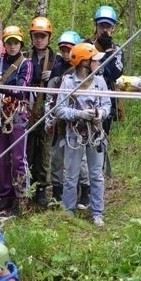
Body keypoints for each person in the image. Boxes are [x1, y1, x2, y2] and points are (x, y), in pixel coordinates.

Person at [55, 43, 111, 226]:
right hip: (74, 135)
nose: (97, 63)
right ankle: (68, 210)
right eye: (94, 60)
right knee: (71, 174)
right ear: (83, 62)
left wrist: (100, 114)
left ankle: (97, 212)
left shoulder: (99, 82)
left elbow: (106, 104)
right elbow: (59, 109)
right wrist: (78, 114)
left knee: (96, 174)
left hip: (95, 134)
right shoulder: (68, 82)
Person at [0, 25, 33, 217]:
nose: (12, 46)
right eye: (9, 43)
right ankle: (5, 196)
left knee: (19, 159)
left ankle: (22, 197)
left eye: (15, 43)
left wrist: (1, 88)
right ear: (4, 44)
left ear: (20, 44)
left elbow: (22, 87)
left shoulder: (25, 64)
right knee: (2, 159)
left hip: (17, 115)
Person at [45, 30, 91, 207]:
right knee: (56, 156)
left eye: (69, 50)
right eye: (63, 50)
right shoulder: (56, 71)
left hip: (77, 122)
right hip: (59, 120)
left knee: (82, 160)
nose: (66, 54)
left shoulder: (83, 72)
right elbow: (50, 97)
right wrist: (49, 119)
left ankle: (85, 192)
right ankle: (57, 192)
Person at [25, 16, 56, 209]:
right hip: (27, 110)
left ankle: (42, 188)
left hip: (46, 109)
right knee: (27, 150)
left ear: (48, 38)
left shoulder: (56, 60)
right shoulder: (24, 57)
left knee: (44, 152)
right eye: (36, 36)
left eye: (43, 36)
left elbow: (66, 76)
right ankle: (26, 185)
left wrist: (54, 75)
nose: (39, 40)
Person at [85, 5, 124, 129]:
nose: (104, 30)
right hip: (85, 95)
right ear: (95, 25)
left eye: (108, 26)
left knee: (102, 139)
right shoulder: (85, 45)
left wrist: (108, 50)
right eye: (101, 26)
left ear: (113, 28)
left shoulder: (117, 49)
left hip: (106, 99)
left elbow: (115, 73)